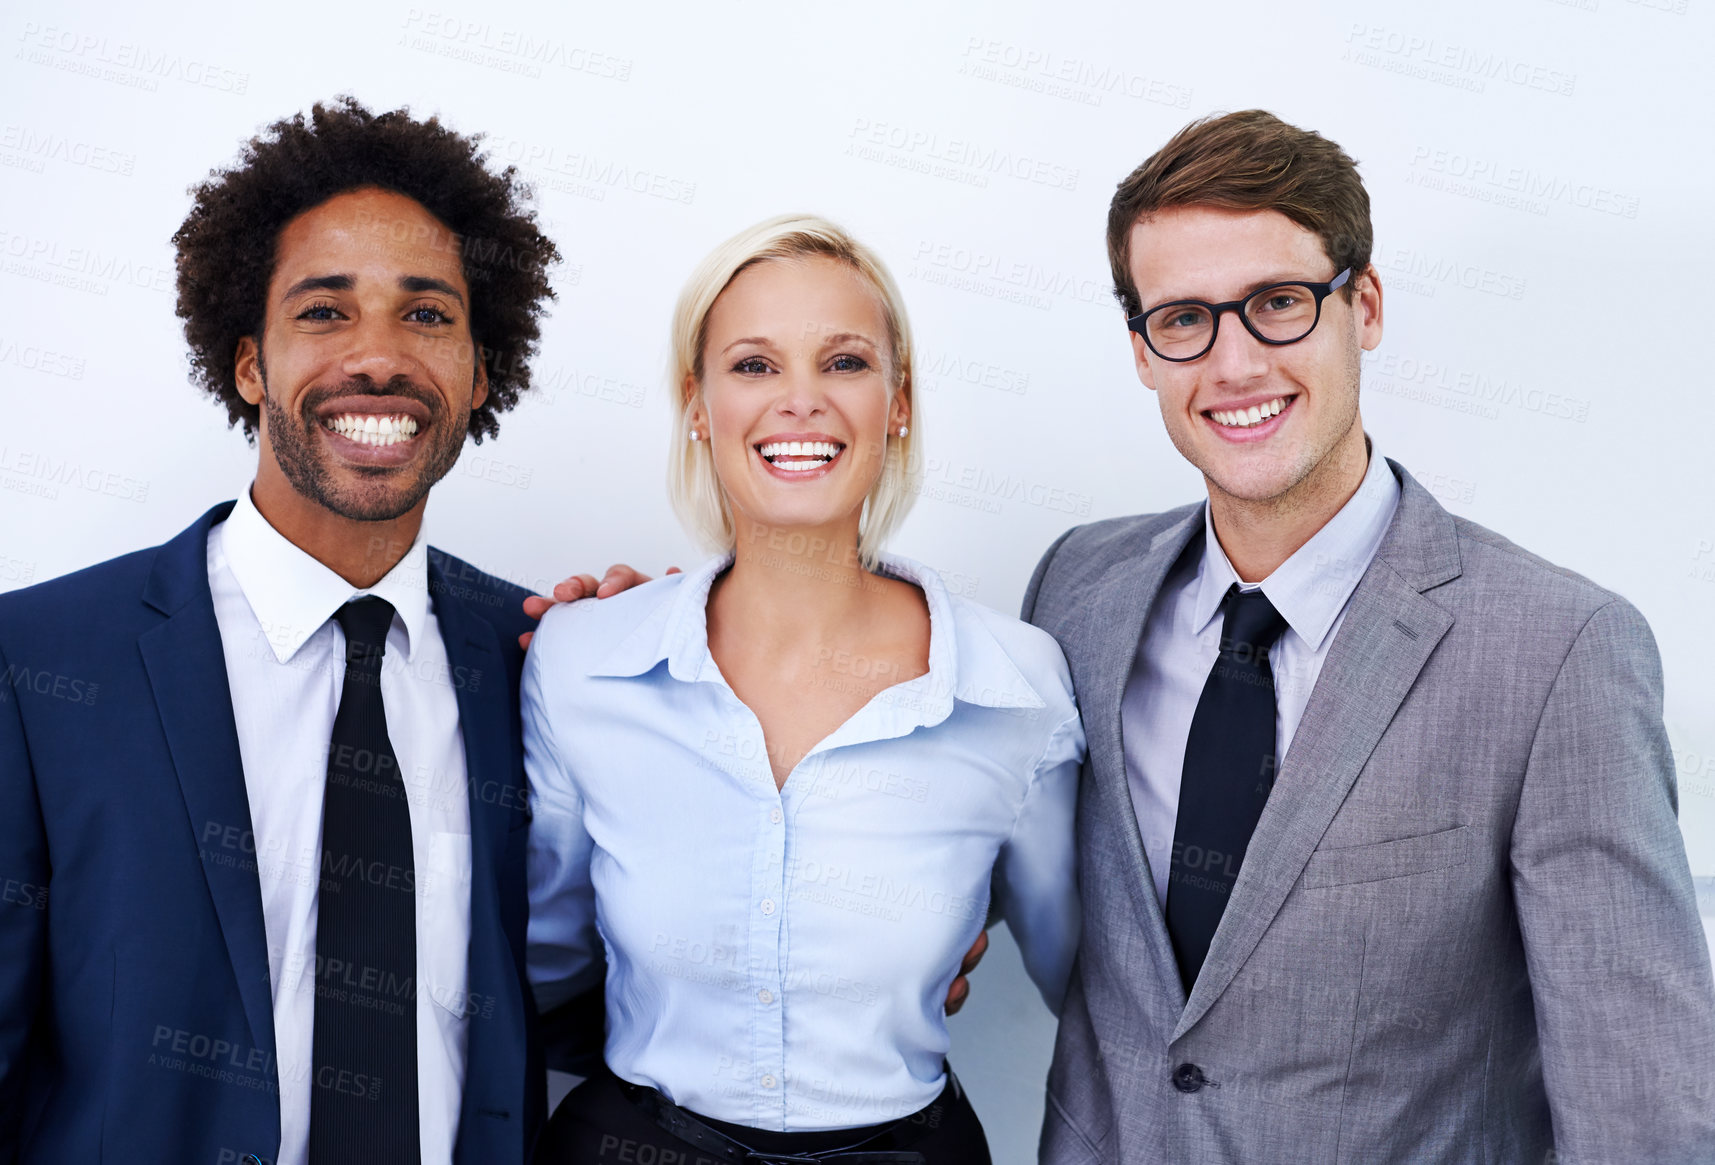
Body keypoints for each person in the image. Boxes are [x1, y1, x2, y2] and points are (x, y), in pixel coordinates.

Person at [1026, 110, 1715, 1163]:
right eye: (1183, 320)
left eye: (1276, 303)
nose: (1234, 362)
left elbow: (1640, 1113)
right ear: (1140, 350)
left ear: (1365, 305)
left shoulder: (1556, 652)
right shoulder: (1075, 588)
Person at [0, 98, 574, 1165]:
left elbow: (602, 983)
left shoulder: (541, 658)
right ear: (250, 363)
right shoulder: (40, 666)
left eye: (427, 315)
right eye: (323, 311)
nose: (377, 359)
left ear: (482, 372)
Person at [523, 215, 1083, 1163]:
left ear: (897, 403)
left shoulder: (1015, 685)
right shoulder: (581, 662)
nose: (800, 402)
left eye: (844, 362)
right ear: (695, 403)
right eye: (752, 365)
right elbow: (536, 960)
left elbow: (1092, 978)